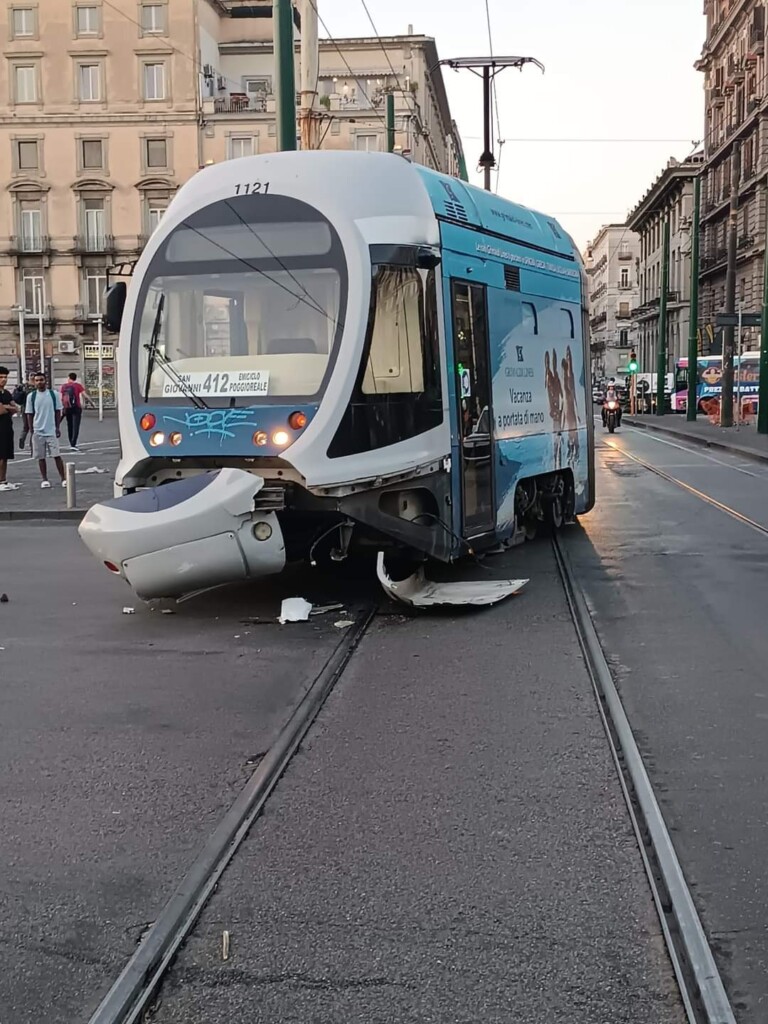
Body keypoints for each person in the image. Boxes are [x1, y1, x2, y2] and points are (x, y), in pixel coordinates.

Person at [25, 373, 66, 489]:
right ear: (34, 382)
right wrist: (31, 430)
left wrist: (57, 427)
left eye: (41, 380)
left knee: (56, 455)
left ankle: (63, 478)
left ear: (45, 380)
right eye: (36, 380)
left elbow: (58, 411)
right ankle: (44, 479)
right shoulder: (31, 397)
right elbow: (29, 414)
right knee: (41, 457)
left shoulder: (53, 395)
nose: (39, 382)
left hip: (51, 429)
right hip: (38, 430)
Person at [60, 372, 94, 450]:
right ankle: (73, 443)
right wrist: (91, 402)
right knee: (76, 426)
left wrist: (62, 408)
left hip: (67, 408)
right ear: (75, 378)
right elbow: (85, 395)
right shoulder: (78, 386)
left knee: (70, 425)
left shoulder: (64, 386)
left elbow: (61, 398)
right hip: (76, 408)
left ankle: (70, 441)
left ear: (69, 378)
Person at [0, 366, 20, 492]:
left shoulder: (6, 393)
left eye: (5, 377)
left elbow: (16, 409)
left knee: (6, 455)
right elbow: (1, 410)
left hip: (7, 427)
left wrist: (6, 407)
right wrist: (8, 407)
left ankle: (3, 479)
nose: (4, 379)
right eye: (1, 377)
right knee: (0, 455)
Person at [12, 376, 30, 449]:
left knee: (27, 426)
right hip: (28, 409)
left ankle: (23, 438)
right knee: (30, 426)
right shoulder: (27, 387)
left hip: (26, 409)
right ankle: (26, 440)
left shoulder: (24, 387)